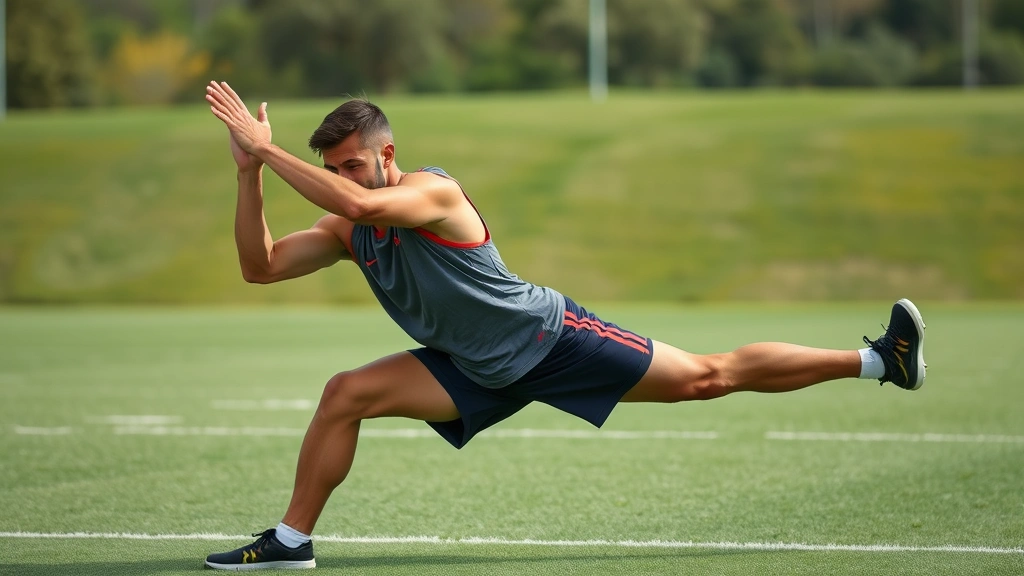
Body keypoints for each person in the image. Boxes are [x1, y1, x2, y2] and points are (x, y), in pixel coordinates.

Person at [201, 81, 927, 570]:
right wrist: (247, 174)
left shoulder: (431, 191)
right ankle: (292, 542)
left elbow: (362, 208)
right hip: (468, 364)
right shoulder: (344, 224)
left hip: (548, 342)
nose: (347, 178)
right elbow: (260, 267)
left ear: (387, 156)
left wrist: (268, 148)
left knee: (708, 378)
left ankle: (877, 360)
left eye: (355, 164)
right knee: (344, 393)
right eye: (337, 168)